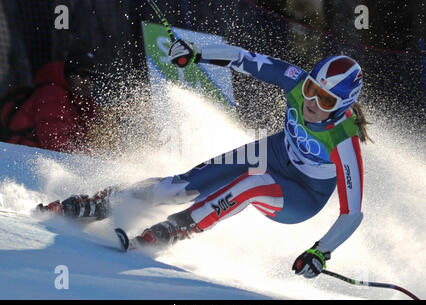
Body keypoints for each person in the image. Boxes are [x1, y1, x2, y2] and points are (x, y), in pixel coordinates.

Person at [38, 39, 371, 279]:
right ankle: (100, 203)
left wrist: (319, 252)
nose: (312, 101)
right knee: (183, 184)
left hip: (302, 194)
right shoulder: (296, 83)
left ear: (343, 106)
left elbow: (351, 213)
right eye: (312, 88)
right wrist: (196, 54)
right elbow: (243, 58)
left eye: (325, 100)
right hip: (274, 153)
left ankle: (177, 228)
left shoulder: (344, 141)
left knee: (252, 185)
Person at [0, 49, 100, 153]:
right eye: (82, 74)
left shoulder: (82, 103)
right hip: (19, 155)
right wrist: (89, 160)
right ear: (68, 73)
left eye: (92, 77)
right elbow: (54, 141)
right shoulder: (53, 93)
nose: (88, 81)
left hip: (39, 157)